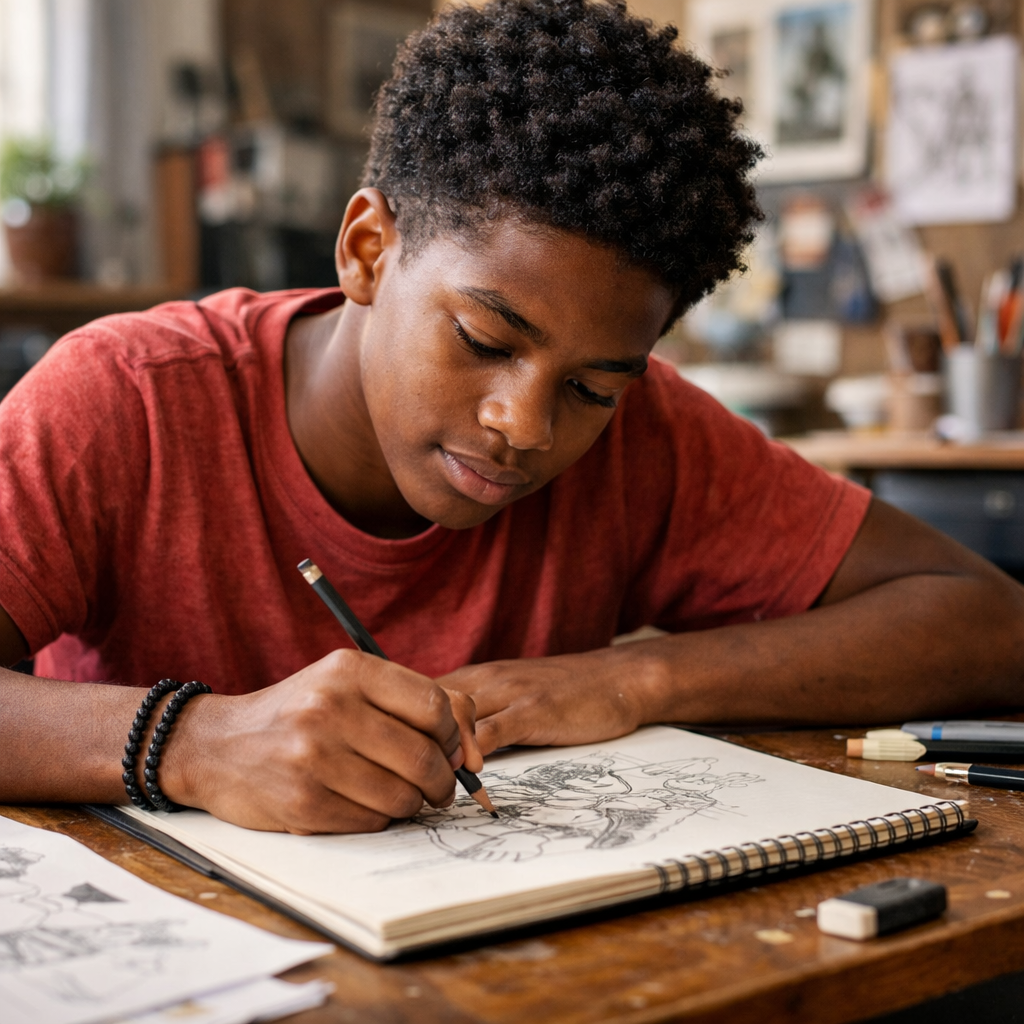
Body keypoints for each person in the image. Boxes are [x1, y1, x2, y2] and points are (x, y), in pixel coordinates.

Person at [0, 0, 1021, 835]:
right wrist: (189, 742)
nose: (526, 425)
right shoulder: (127, 398)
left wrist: (632, 679)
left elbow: (986, 622)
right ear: (366, 248)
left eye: (592, 387)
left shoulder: (643, 435)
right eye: (485, 341)